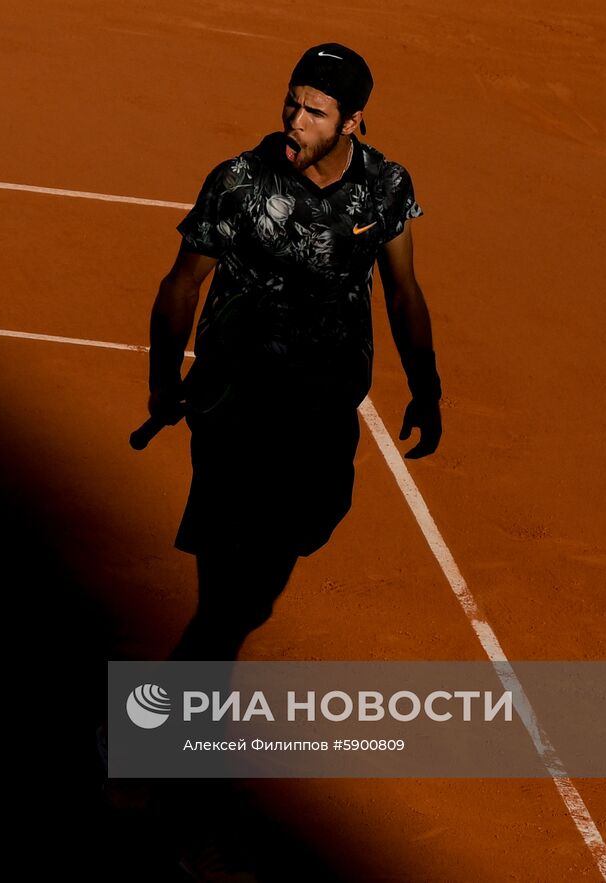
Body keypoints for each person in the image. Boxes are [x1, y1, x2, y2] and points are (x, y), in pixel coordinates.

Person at [148, 42, 443, 664]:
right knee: (232, 589)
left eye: (314, 112)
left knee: (296, 540)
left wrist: (427, 388)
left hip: (323, 404)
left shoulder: (386, 186)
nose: (295, 120)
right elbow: (181, 283)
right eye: (292, 103)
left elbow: (404, 290)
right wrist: (163, 381)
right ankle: (155, 733)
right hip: (237, 398)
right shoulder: (240, 182)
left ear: (351, 122)